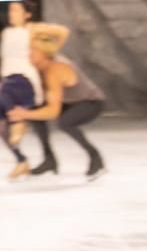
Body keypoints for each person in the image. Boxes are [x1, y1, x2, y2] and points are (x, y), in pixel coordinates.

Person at [8, 30, 107, 181]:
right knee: (36, 111)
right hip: (70, 101)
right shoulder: (41, 66)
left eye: (33, 50)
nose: (29, 53)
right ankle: (50, 160)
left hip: (91, 102)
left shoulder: (55, 69)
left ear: (44, 53)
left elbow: (53, 111)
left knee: (65, 122)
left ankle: (96, 158)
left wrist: (24, 114)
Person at [0, 0, 56, 180]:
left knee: (19, 121)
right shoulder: (5, 33)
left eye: (15, 10)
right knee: (1, 129)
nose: (11, 13)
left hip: (25, 80)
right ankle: (21, 160)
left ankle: (20, 125)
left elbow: (52, 47)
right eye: (10, 10)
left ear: (27, 14)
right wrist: (1, 79)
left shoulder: (33, 31)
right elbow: (4, 59)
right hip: (8, 82)